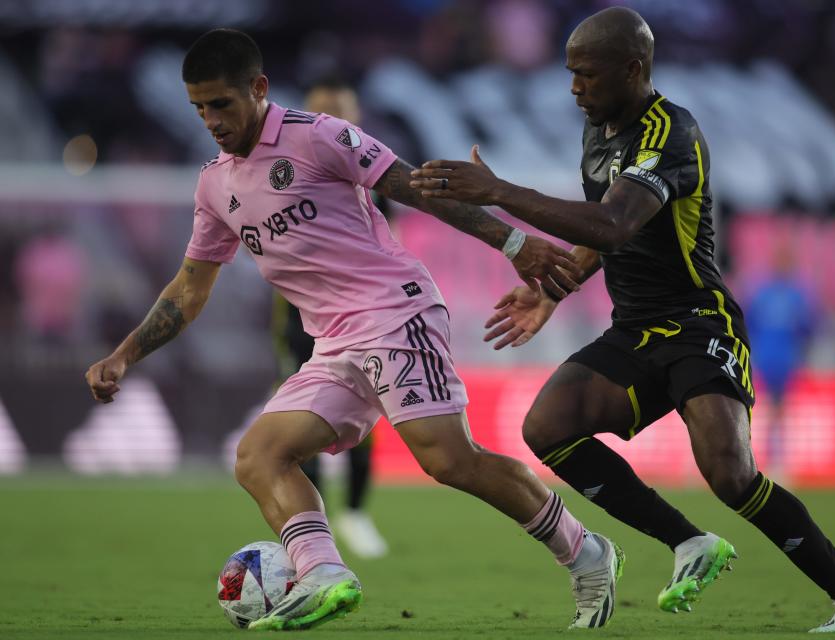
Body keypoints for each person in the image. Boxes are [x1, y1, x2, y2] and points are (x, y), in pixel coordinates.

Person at [84, 29, 623, 632]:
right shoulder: (215, 186)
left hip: (396, 311)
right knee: (259, 457)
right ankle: (324, 574)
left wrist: (515, 242)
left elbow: (416, 188)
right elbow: (189, 289)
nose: (211, 119)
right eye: (199, 108)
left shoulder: (318, 136)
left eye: (222, 104)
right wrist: (125, 356)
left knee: (448, 460)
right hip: (332, 342)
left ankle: (586, 551)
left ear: (258, 89)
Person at [410, 7, 835, 633]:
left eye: (586, 74)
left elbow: (615, 223)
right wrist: (556, 289)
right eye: (569, 74)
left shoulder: (671, 134)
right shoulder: (599, 129)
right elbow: (599, 233)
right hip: (635, 329)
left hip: (698, 324)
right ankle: (689, 543)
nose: (575, 88)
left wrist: (498, 190)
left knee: (730, 474)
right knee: (548, 427)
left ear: (632, 69)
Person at [271, 76, 388, 559]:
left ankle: (356, 514)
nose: (331, 122)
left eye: (339, 112)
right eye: (321, 112)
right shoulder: (285, 178)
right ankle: (315, 525)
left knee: (364, 423)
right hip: (303, 325)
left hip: (366, 321)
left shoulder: (374, 181)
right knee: (303, 426)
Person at [746, 245, 817, 476]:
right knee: (750, 410)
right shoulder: (763, 293)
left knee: (779, 412)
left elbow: (808, 329)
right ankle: (746, 457)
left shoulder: (797, 296)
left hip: (785, 362)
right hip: (762, 360)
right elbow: (749, 325)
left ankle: (777, 460)